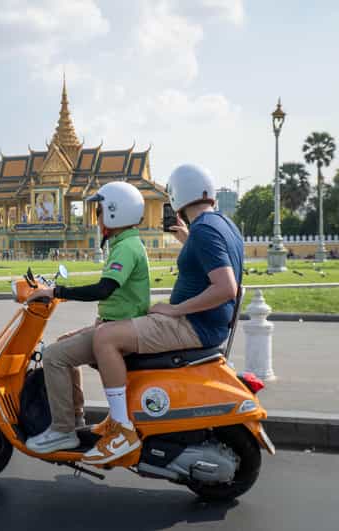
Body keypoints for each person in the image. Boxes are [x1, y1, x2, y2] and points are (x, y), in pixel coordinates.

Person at [82, 164, 244, 465]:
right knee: (112, 334)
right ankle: (124, 415)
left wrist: (175, 310)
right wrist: (187, 239)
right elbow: (211, 257)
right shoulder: (219, 224)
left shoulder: (205, 231)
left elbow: (226, 288)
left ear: (176, 197)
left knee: (105, 337)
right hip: (206, 324)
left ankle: (122, 430)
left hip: (192, 325)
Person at [24, 181, 151, 454]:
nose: (97, 217)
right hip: (113, 325)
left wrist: (57, 291)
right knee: (62, 343)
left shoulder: (126, 247)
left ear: (115, 212)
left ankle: (61, 430)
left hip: (118, 330)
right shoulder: (124, 243)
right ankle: (75, 418)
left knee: (53, 356)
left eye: (101, 211)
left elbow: (105, 288)